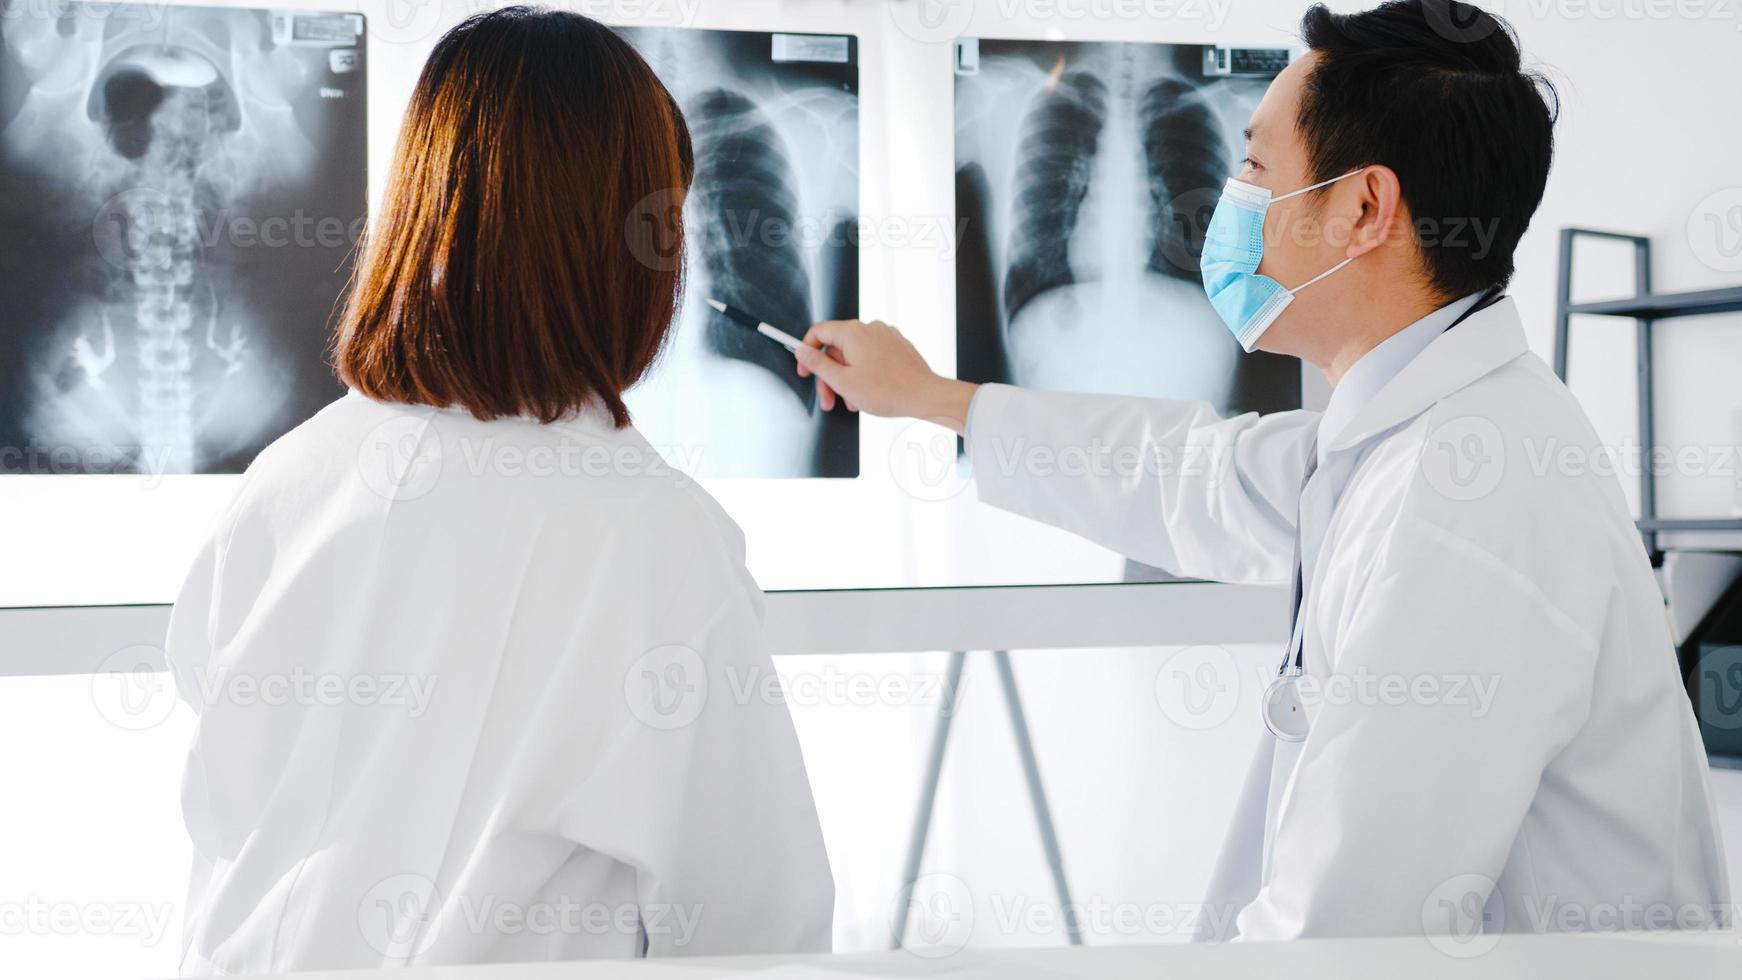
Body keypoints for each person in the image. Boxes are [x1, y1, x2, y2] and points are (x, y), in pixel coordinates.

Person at [793, 0, 1729, 942]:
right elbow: (1183, 474)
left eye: (1252, 167)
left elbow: (1342, 928)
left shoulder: (1463, 501)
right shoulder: (1412, 435)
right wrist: (929, 397)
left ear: (1366, 208)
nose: (1229, 203)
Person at [163, 8, 832, 973]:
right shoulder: (656, 540)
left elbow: (223, 790)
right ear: (636, 249)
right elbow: (758, 923)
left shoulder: (292, 476)